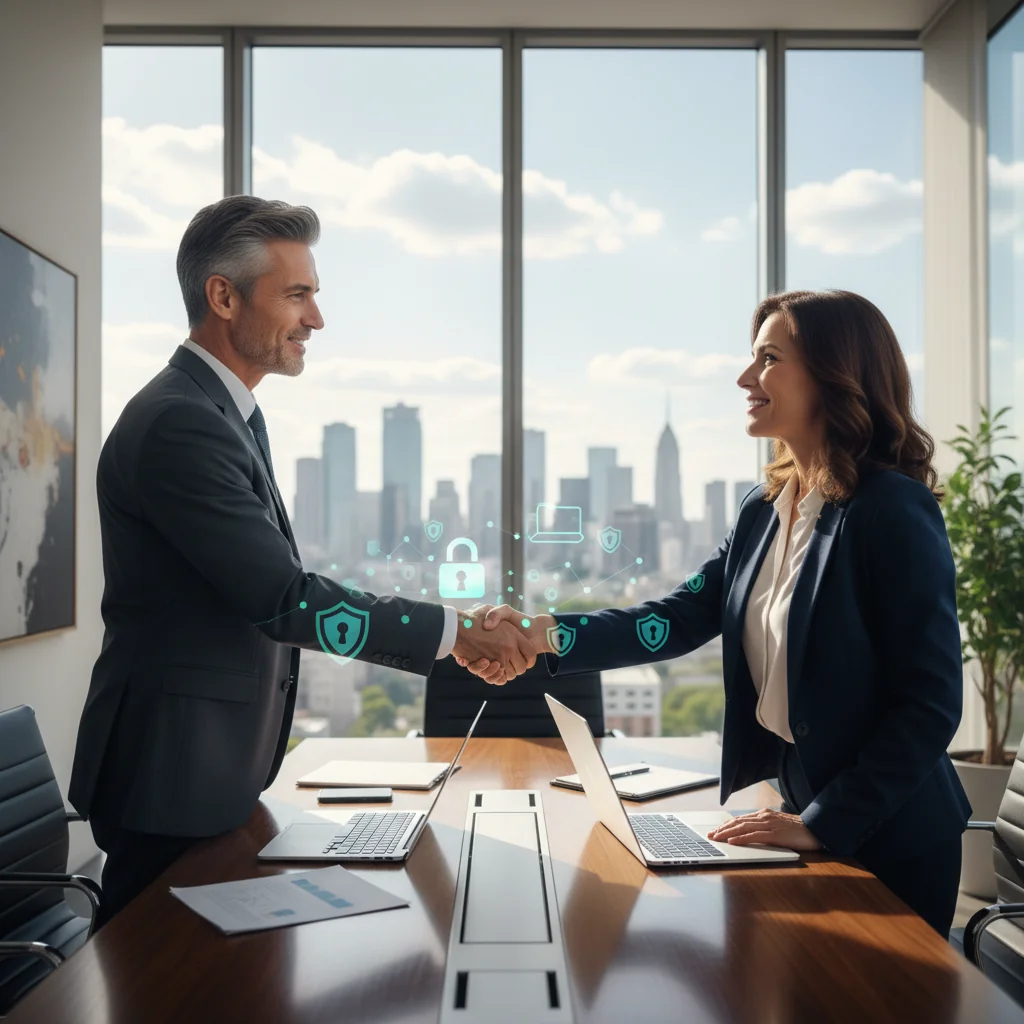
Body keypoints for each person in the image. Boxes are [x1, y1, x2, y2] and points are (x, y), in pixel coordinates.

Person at [69, 196, 533, 926]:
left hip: (209, 774)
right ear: (223, 296)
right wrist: (456, 634)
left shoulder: (222, 414)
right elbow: (283, 598)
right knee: (161, 989)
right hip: (170, 777)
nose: (316, 319)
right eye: (298, 294)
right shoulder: (180, 422)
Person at [462, 290, 971, 938]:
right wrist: (545, 634)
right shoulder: (765, 509)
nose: (745, 379)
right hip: (798, 810)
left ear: (834, 373)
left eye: (768, 359)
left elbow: (929, 705)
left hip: (888, 836)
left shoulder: (890, 510)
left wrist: (823, 822)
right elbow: (678, 618)